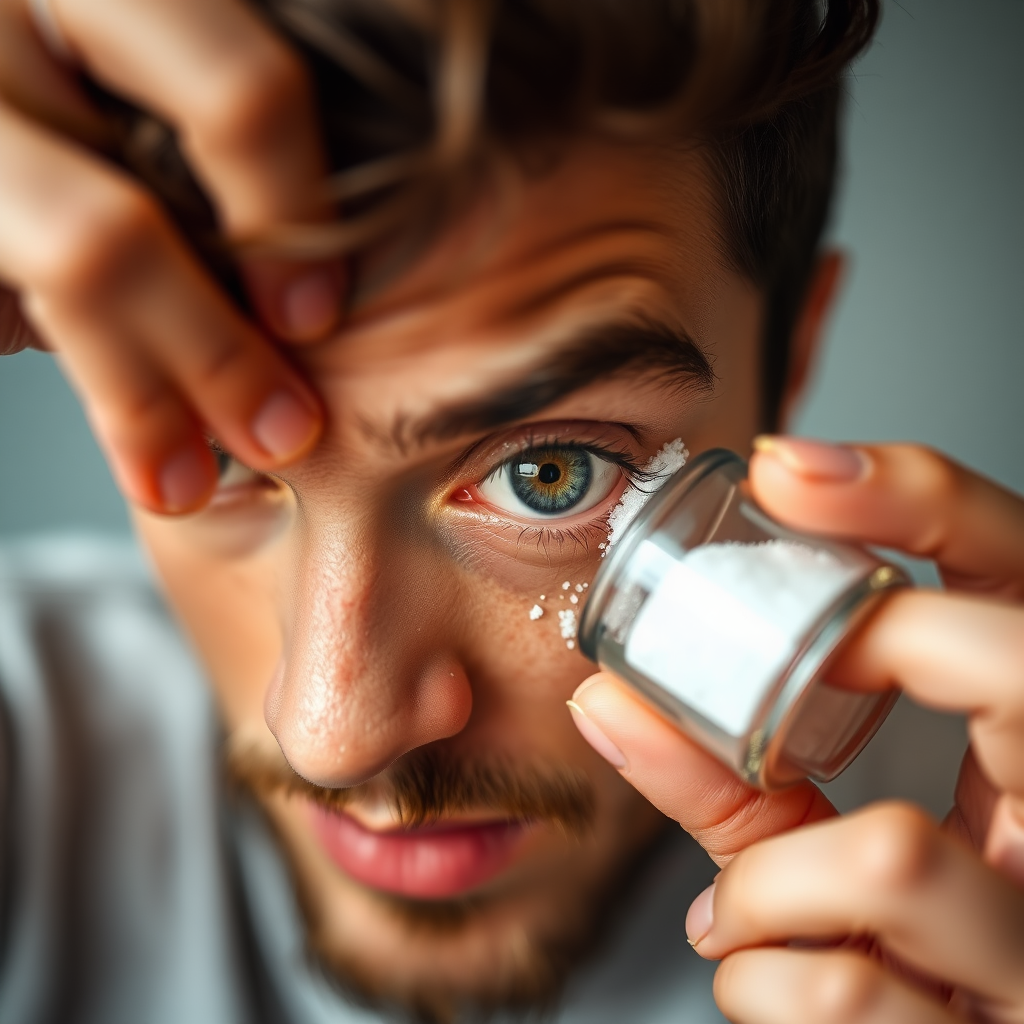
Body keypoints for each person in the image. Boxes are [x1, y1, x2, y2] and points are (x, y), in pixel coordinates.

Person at [1, 1, 1022, 1022]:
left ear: (790, 354)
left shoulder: (983, 854)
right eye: (217, 453)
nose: (332, 735)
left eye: (550, 475)